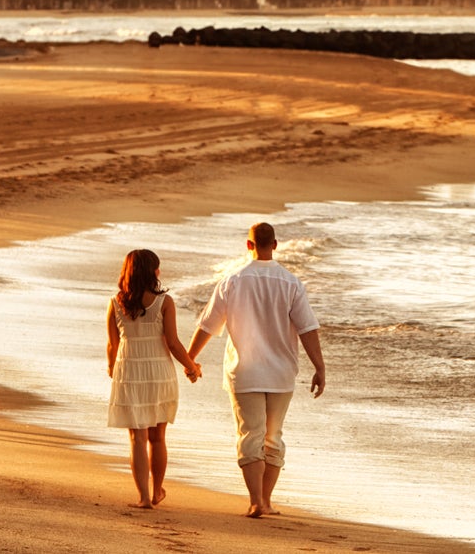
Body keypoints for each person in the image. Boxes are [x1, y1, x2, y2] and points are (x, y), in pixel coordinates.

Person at [187, 222, 326, 518]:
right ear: (274, 244)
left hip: (244, 372)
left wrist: (190, 359)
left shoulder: (233, 281)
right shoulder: (291, 282)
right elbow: (307, 328)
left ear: (248, 245)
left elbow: (208, 325)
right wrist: (319, 367)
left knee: (250, 435)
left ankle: (255, 502)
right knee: (272, 437)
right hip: (281, 373)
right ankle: (266, 500)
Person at [106, 248, 201, 508]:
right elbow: (173, 343)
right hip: (159, 372)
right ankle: (158, 490)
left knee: (136, 438)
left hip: (129, 371)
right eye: (158, 267)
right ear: (153, 272)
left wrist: (113, 369)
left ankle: (144, 497)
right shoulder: (164, 302)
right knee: (157, 437)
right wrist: (192, 367)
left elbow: (112, 346)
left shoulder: (116, 302)